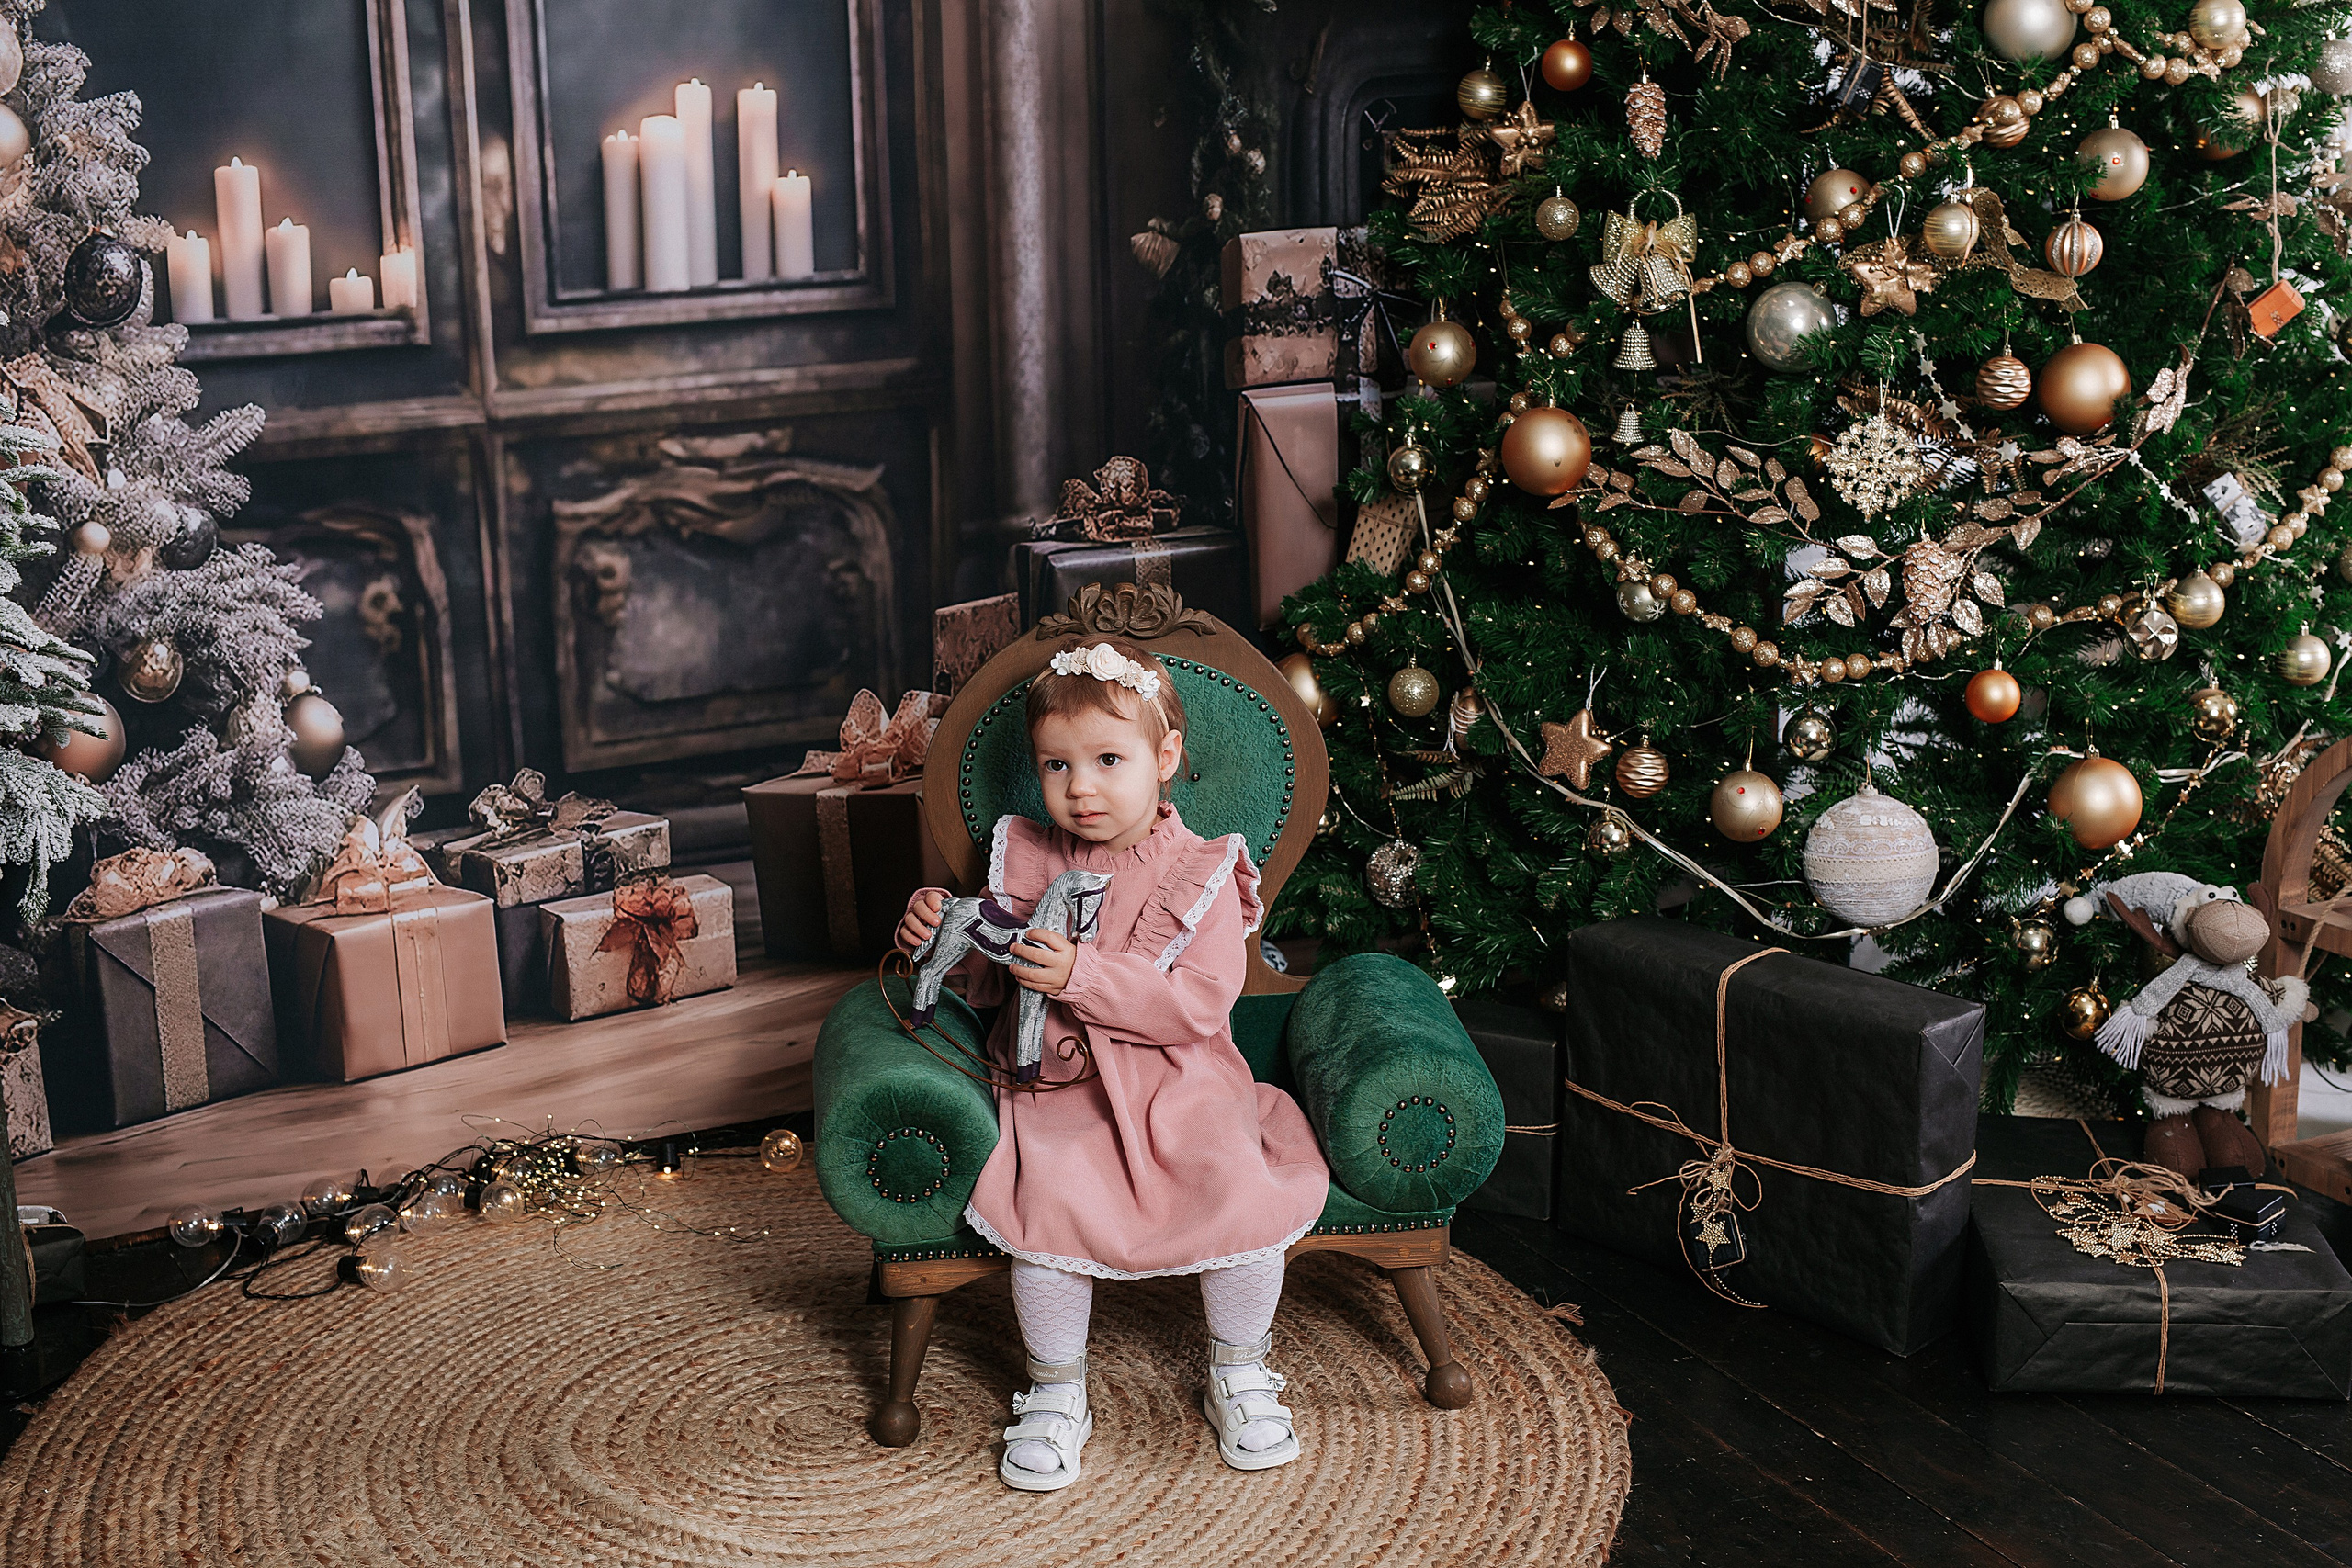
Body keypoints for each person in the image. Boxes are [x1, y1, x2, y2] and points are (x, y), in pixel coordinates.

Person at [897, 636, 1329, 1492]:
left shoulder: (1202, 871)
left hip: (1180, 1081)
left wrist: (1083, 974)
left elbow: (1200, 1004)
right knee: (1051, 1202)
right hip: (1062, 1086)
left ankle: (1239, 1369)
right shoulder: (1027, 856)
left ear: (1165, 757)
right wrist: (935, 930)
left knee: (1238, 1184)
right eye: (1056, 766)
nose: (1080, 787)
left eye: (1106, 759)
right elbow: (986, 982)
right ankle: (1057, 1390)